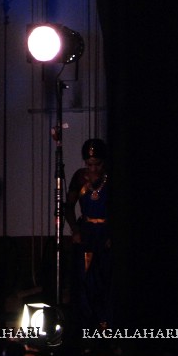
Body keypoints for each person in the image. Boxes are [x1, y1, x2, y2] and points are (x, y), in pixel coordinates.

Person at [65, 138, 113, 332]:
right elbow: (68, 206)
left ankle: (106, 324)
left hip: (106, 233)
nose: (93, 169)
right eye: (89, 164)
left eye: (97, 164)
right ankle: (87, 324)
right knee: (85, 279)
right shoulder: (79, 178)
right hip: (86, 233)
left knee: (106, 278)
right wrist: (75, 230)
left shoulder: (111, 178)